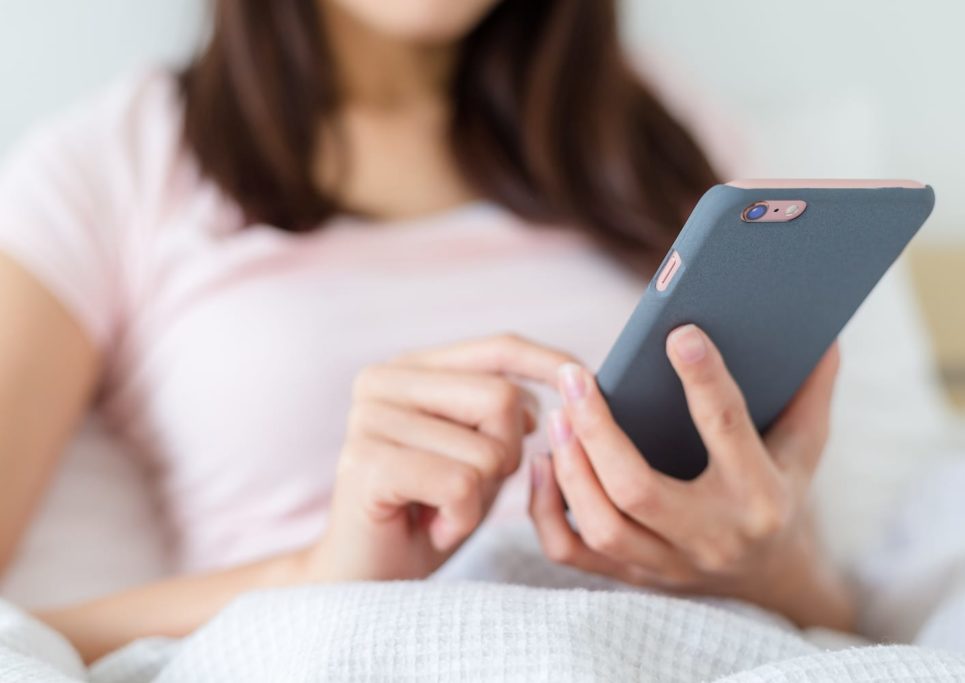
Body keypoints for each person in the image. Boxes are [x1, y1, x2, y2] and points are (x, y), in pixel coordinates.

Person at [0, 0, 853, 662]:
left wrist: (763, 564)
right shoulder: (110, 168)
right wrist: (314, 574)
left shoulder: (666, 141)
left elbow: (835, 615)